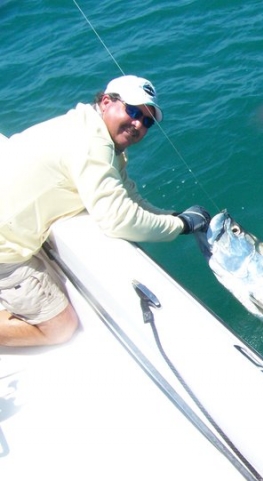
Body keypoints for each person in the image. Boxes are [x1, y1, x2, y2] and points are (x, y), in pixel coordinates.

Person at [0, 75, 211, 347]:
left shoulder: (88, 130)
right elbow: (119, 220)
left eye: (147, 121)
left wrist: (175, 216)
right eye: (133, 111)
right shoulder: (92, 145)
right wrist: (180, 226)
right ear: (106, 101)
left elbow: (129, 197)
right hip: (5, 251)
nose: (138, 125)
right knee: (60, 327)